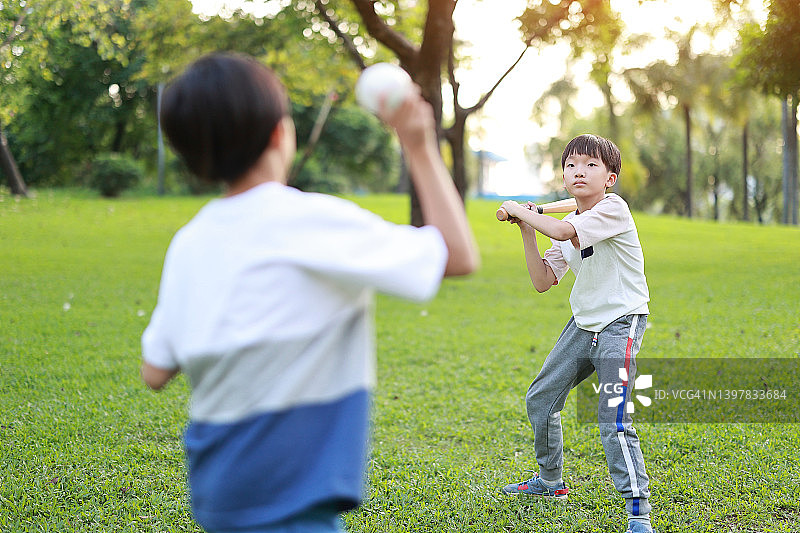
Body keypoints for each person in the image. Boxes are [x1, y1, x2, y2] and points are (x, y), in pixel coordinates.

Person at [139, 52, 478, 533]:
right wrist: (418, 146)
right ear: (281, 133)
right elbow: (458, 256)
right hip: (295, 507)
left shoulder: (190, 242)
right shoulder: (314, 222)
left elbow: (155, 371)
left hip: (218, 500)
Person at [498, 134, 655, 533]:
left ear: (610, 177)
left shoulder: (613, 209)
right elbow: (542, 279)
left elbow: (567, 233)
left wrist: (521, 208)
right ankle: (550, 482)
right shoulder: (565, 222)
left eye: (590, 165)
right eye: (571, 165)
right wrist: (526, 229)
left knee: (612, 416)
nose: (578, 171)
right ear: (564, 177)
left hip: (621, 321)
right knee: (541, 397)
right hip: (584, 323)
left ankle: (637, 512)